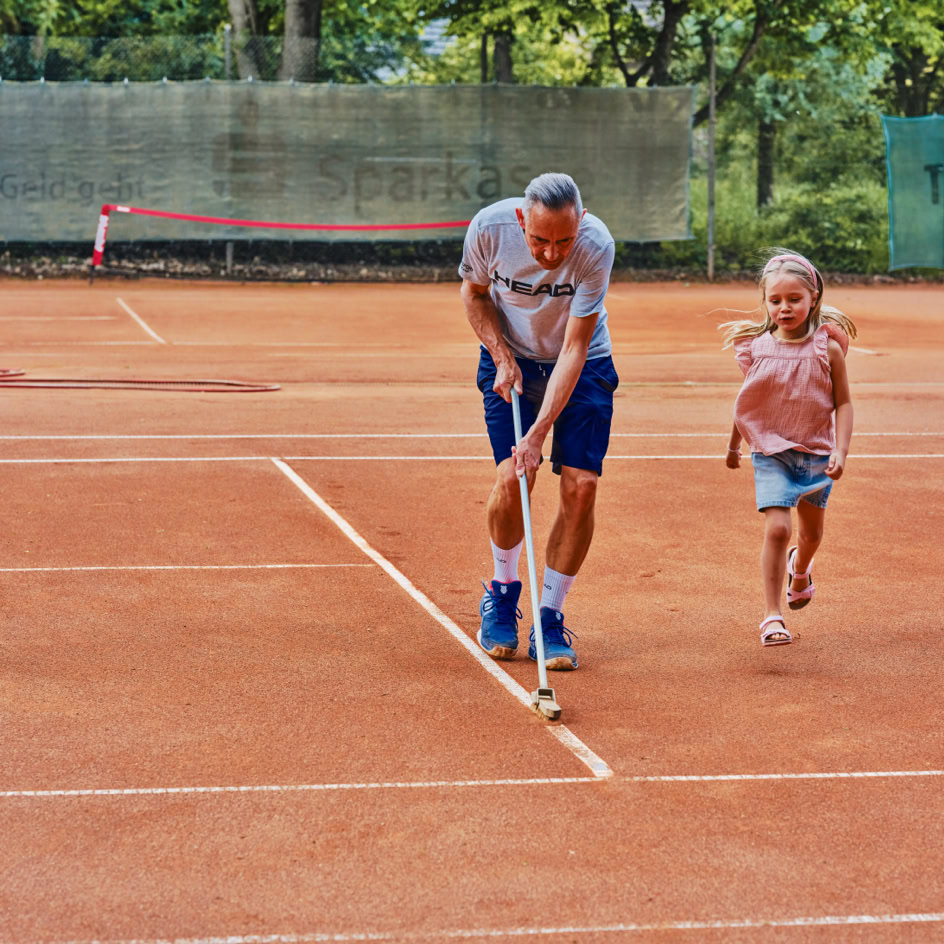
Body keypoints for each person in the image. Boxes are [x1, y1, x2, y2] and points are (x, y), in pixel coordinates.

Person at [458, 172, 619, 671]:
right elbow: (475, 294)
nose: (552, 255)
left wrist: (538, 429)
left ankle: (549, 616)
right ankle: (503, 594)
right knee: (514, 476)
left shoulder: (596, 245)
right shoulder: (489, 228)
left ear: (582, 221)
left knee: (581, 487)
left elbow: (574, 346)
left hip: (582, 362)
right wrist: (501, 355)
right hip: (512, 359)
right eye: (540, 240)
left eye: (563, 241)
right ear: (521, 220)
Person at [721, 249, 856, 647]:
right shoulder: (756, 348)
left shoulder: (826, 349)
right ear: (764, 301)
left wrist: (841, 451)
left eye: (793, 299)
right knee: (779, 527)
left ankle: (802, 568)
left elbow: (843, 403)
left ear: (813, 297)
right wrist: (733, 446)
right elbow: (749, 402)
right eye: (775, 300)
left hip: (816, 453)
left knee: (811, 536)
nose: (784, 308)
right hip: (771, 451)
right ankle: (771, 615)